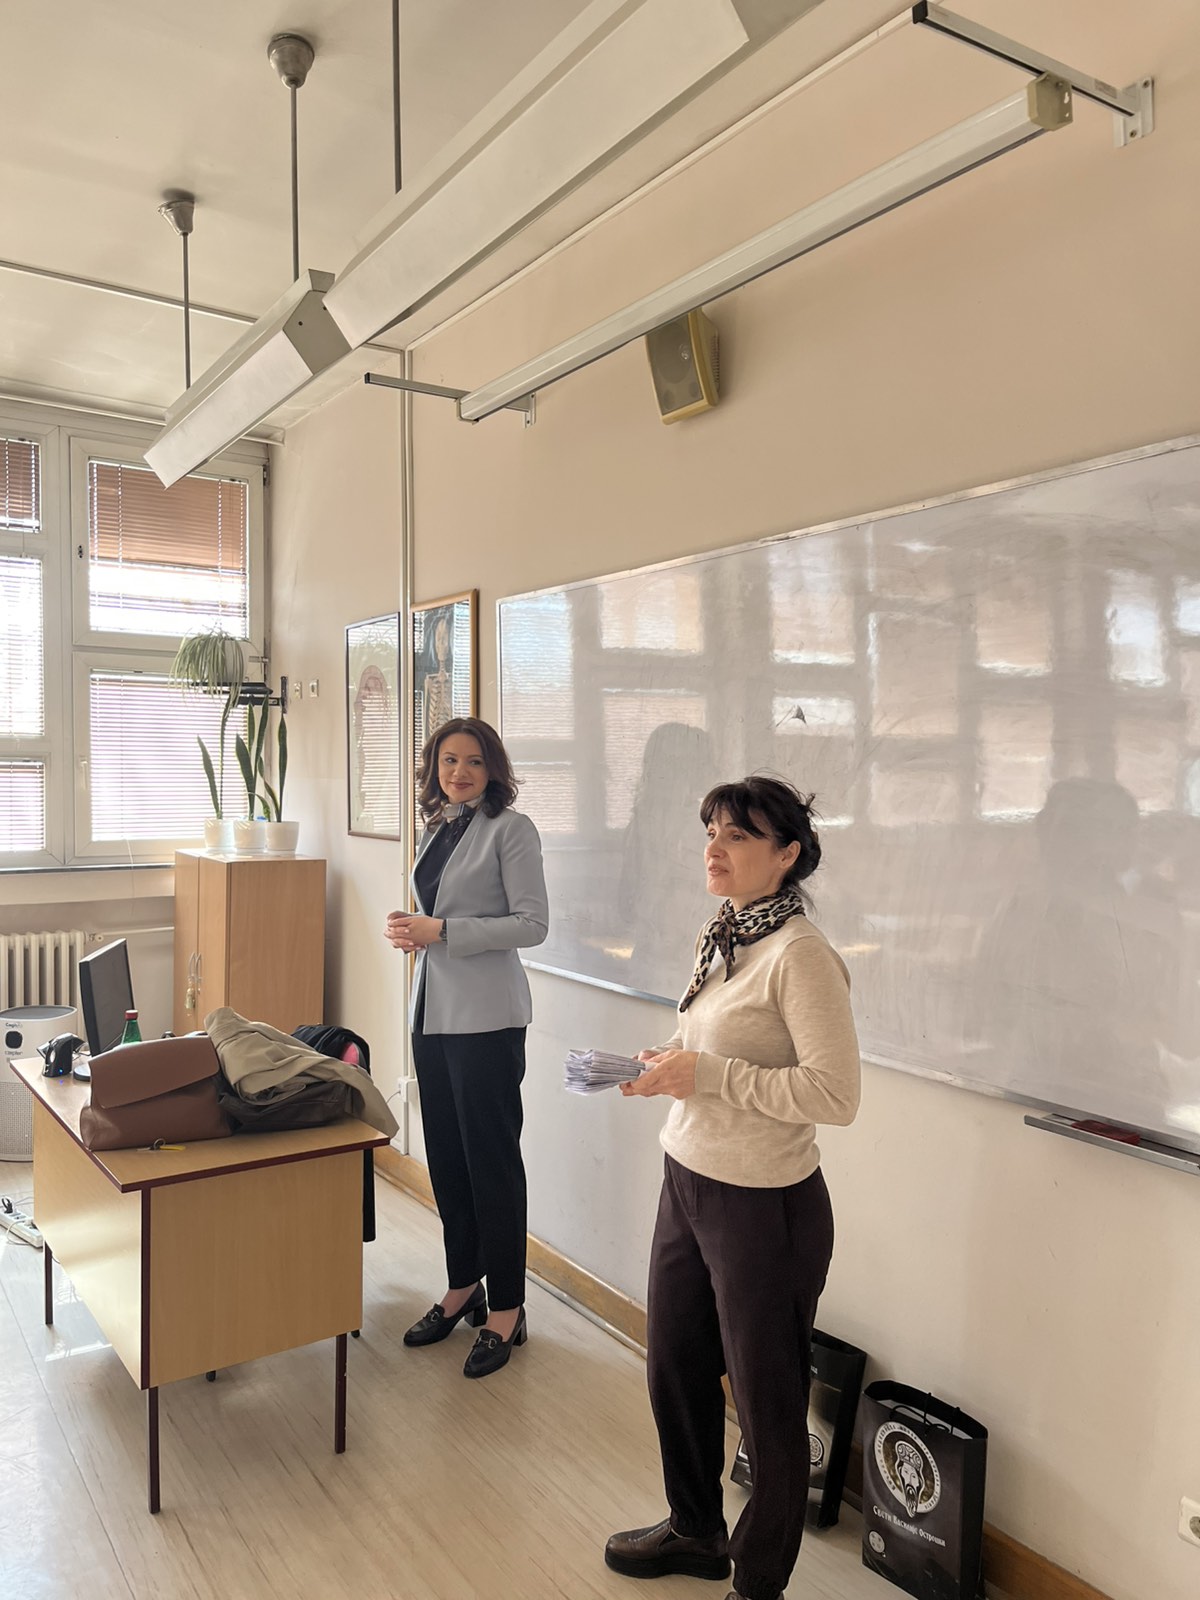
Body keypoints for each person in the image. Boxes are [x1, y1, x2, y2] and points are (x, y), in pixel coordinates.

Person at [605, 776, 861, 1600]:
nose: (714, 847)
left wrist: (705, 1074)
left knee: (766, 1405)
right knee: (674, 1368)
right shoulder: (726, 932)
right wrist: (664, 1065)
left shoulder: (801, 955)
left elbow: (835, 1095)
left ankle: (757, 1582)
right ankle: (695, 1530)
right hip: (688, 1178)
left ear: (787, 855)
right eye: (711, 829)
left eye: (738, 835)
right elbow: (711, 1043)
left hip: (763, 1203)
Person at [385, 716, 549, 1378]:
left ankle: (507, 1307)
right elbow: (439, 915)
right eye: (449, 760)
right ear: (435, 768)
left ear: (493, 769)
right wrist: (413, 930)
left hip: (487, 1022)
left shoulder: (513, 829)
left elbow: (532, 925)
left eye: (474, 761)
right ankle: (463, 1287)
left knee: (492, 1165)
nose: (460, 772)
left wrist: (444, 930)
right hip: (432, 1014)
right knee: (447, 1160)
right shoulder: (439, 826)